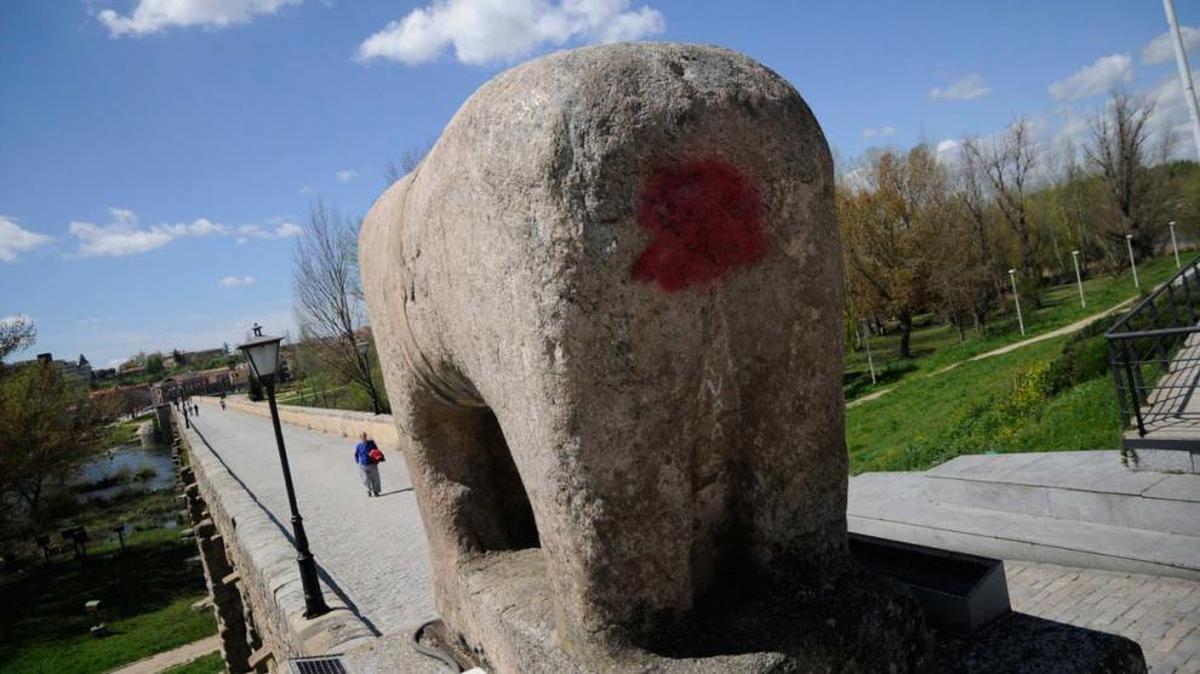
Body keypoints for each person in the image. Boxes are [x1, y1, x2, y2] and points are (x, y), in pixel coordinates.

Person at [354, 432, 382, 497]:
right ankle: (368, 491)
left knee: (375, 478)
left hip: (372, 464)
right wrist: (358, 461)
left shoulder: (371, 443)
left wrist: (377, 459)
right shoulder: (358, 445)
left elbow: (377, 450)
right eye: (363, 436)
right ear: (360, 437)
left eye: (365, 436)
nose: (364, 437)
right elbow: (356, 454)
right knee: (365, 479)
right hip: (363, 465)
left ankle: (376, 492)